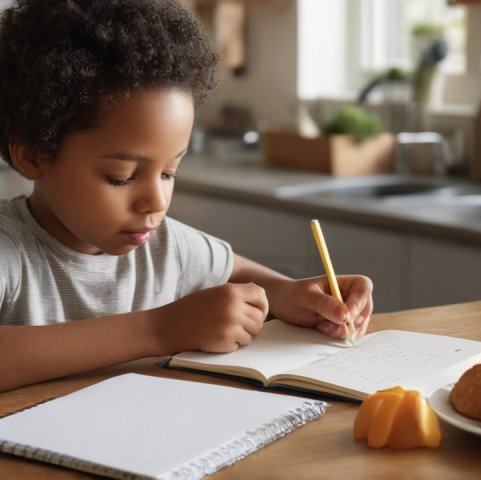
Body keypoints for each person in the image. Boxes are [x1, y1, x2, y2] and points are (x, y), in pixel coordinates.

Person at [0, 0, 373, 392]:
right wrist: (160, 329)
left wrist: (292, 294)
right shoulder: (10, 250)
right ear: (33, 155)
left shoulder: (163, 247)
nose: (156, 202)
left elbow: (235, 270)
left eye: (168, 172)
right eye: (121, 177)